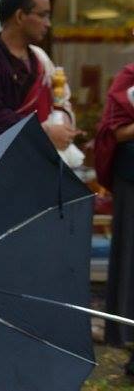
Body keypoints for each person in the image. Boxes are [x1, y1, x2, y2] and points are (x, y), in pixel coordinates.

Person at [0, 0, 79, 179]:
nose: (48, 24)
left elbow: (61, 99)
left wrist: (62, 120)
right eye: (43, 15)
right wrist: (45, 133)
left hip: (39, 164)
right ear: (20, 16)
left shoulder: (40, 59)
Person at [96, 61, 134, 373]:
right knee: (130, 260)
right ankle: (127, 337)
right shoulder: (129, 77)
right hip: (132, 181)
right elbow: (115, 133)